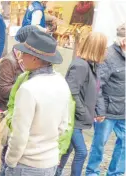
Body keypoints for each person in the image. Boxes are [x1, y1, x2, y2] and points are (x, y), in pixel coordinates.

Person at [4, 30, 71, 176]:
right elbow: (63, 125)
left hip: (27, 163)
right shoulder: (61, 82)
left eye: (24, 54)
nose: (20, 58)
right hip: (50, 162)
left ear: (35, 58)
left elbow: (19, 134)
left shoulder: (28, 88)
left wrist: (10, 161)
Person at [55, 32, 108, 176]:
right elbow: (71, 93)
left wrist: (97, 111)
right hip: (73, 119)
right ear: (97, 48)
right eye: (104, 47)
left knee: (66, 151)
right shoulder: (81, 65)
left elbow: (94, 91)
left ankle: (56, 173)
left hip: (78, 118)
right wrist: (84, 113)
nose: (106, 51)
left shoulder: (92, 65)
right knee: (81, 152)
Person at [86, 23, 126, 176]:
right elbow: (98, 87)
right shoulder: (107, 56)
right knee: (99, 144)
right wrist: (100, 110)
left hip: (123, 110)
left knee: (124, 145)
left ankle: (115, 173)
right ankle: (92, 172)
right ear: (123, 41)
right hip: (107, 111)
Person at [0, 25, 38, 111]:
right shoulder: (9, 61)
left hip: (17, 105)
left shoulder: (30, 59)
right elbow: (3, 90)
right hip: (3, 107)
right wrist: (25, 84)